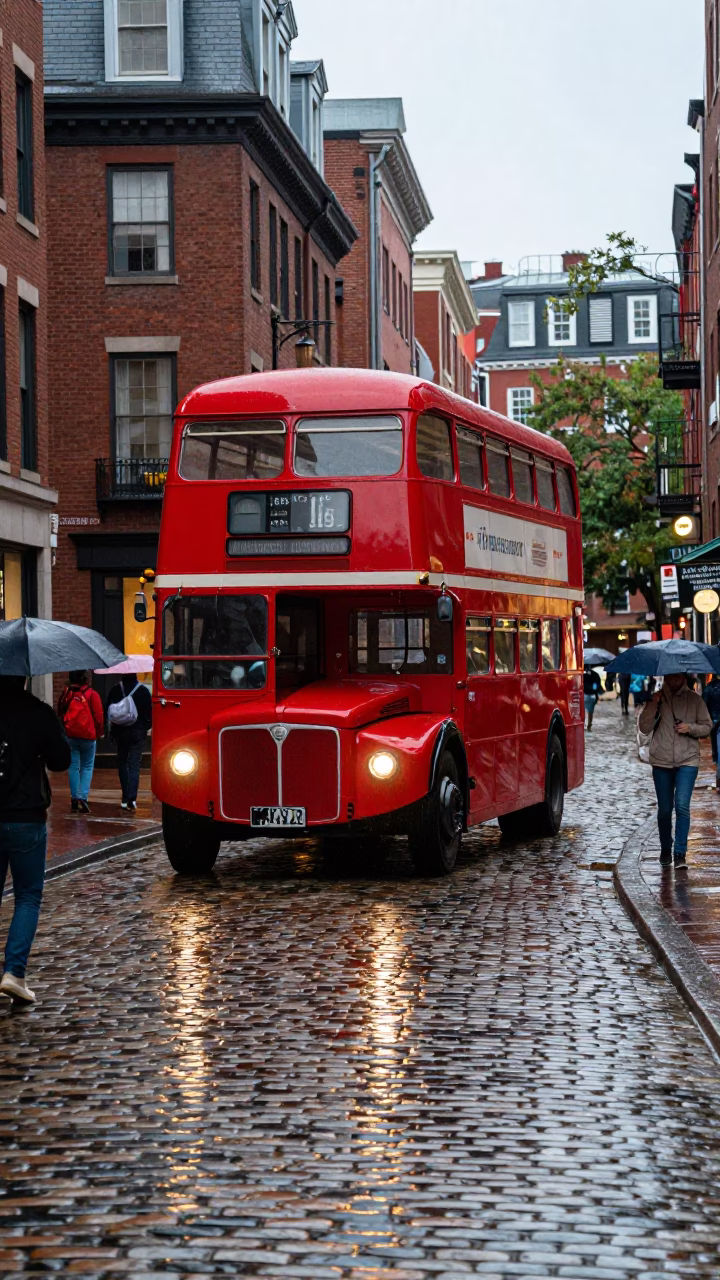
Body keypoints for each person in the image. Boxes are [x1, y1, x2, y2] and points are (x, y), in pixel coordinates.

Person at [0, 675, 71, 1004]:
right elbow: (62, 760)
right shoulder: (38, 712)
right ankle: (14, 973)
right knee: (27, 897)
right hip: (26, 816)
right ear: (25, 677)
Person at [639, 672, 713, 867]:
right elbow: (644, 728)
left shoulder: (694, 700)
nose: (674, 680)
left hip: (688, 760)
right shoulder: (658, 698)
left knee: (682, 806)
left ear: (683, 677)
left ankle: (680, 853)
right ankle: (665, 847)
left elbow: (707, 727)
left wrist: (690, 728)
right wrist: (653, 704)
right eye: (671, 676)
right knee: (664, 810)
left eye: (678, 677)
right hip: (661, 761)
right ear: (665, 677)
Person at [57, 670, 104, 813]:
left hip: (71, 735)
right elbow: (99, 716)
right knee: (87, 767)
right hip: (89, 736)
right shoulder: (92, 694)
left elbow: (60, 712)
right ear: (86, 678)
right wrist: (100, 733)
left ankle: (74, 798)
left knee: (73, 766)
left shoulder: (66, 693)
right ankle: (83, 798)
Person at [106, 674, 152, 812]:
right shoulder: (143, 691)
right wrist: (144, 728)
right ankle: (132, 799)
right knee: (134, 765)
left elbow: (108, 712)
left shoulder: (115, 690)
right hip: (137, 734)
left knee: (122, 763)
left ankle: (125, 798)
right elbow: (149, 715)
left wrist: (112, 732)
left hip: (120, 733)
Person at [704, 674, 720, 778]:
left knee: (717, 752)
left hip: (714, 723)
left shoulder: (709, 687)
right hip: (715, 723)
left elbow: (703, 706)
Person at [583, 667, 603, 731]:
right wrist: (596, 695)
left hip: (584, 694)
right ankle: (589, 725)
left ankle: (583, 725)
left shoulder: (582, 674)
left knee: (582, 711)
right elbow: (597, 687)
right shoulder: (595, 674)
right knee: (590, 712)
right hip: (592, 695)